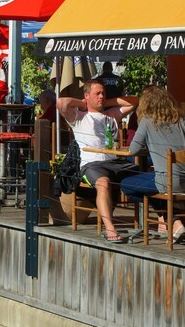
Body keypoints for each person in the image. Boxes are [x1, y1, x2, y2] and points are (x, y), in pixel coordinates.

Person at [57, 80, 139, 244]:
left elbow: (134, 101)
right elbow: (61, 102)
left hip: (115, 162)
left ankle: (162, 224)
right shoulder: (79, 116)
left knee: (142, 175)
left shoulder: (112, 114)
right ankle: (110, 229)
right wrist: (84, 103)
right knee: (103, 183)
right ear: (87, 95)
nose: (101, 96)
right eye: (97, 94)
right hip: (91, 164)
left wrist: (106, 102)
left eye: (103, 93)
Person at [120, 88, 185, 242]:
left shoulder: (147, 121)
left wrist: (151, 145)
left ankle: (172, 219)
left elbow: (133, 150)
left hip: (168, 182)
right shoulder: (183, 120)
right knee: (155, 184)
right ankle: (174, 220)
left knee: (126, 184)